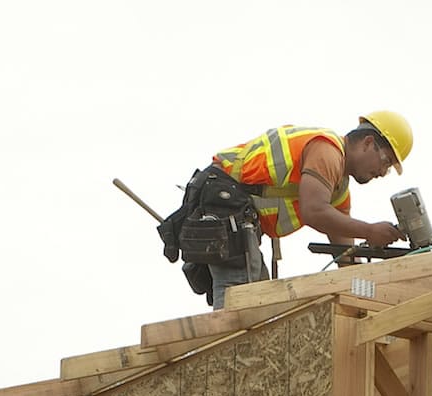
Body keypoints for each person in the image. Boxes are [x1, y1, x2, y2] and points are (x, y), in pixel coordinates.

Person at [159, 112, 414, 309]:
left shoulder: (338, 189)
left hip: (235, 215)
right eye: (386, 161)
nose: (383, 172)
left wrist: (369, 293)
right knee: (240, 299)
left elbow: (344, 255)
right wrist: (370, 231)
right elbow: (314, 211)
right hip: (223, 204)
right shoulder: (328, 151)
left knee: (260, 300)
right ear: (368, 143)